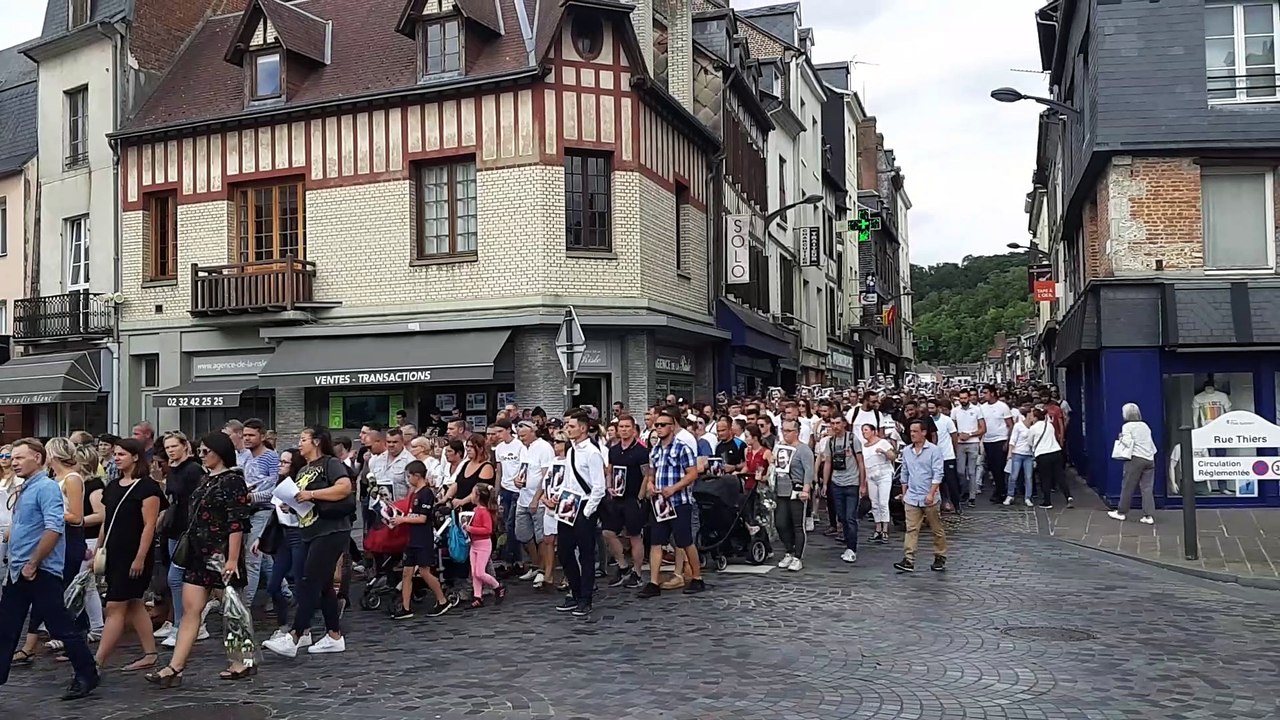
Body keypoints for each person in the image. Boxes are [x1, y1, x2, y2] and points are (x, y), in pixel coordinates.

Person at [145, 432, 253, 687]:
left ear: (220, 452)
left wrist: (232, 560)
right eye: (201, 451)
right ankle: (175, 666)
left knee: (233, 610)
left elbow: (237, 523)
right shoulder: (205, 479)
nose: (203, 455)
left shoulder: (232, 481)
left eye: (207, 451)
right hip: (197, 552)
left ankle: (242, 660)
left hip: (220, 554)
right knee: (191, 611)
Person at [0, 438, 99, 700]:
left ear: (38, 457)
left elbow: (54, 527)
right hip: (19, 570)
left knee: (61, 626)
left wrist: (34, 562)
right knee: (7, 627)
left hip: (39, 570)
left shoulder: (46, 487)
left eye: (20, 457)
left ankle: (87, 673)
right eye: (13, 457)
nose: (14, 462)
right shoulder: (27, 488)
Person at [262, 426, 353, 659]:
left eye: (303, 439)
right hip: (309, 529)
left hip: (331, 530)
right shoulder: (303, 469)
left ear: (317, 441)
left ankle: (295, 634)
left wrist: (311, 495)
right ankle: (334, 635)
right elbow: (302, 500)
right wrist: (291, 503)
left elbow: (344, 488)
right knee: (321, 584)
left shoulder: (330, 463)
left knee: (310, 579)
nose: (299, 443)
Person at [93, 438, 164, 673]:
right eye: (115, 454)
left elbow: (149, 525)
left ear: (135, 457)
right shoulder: (112, 486)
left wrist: (140, 557)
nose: (116, 457)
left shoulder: (147, 488)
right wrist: (98, 549)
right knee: (134, 604)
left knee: (115, 606)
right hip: (114, 553)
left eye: (121, 454)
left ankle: (97, 661)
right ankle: (150, 653)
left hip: (133, 554)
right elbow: (107, 521)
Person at [15, 437, 85, 665]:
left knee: (56, 602)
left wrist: (46, 513)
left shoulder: (70, 480)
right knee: (47, 602)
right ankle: (29, 646)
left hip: (65, 543)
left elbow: (76, 517)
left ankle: (79, 653)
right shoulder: (48, 481)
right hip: (41, 546)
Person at [638, 408, 706, 597]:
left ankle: (697, 577)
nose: (658, 429)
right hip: (660, 503)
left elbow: (692, 473)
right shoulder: (655, 451)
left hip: (679, 501)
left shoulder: (681, 447)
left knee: (684, 541)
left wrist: (674, 488)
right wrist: (651, 484)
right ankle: (653, 581)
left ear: (672, 426)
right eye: (656, 425)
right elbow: (652, 472)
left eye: (662, 425)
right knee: (656, 541)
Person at [154, 431, 211, 647]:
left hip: (187, 531)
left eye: (174, 446)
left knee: (176, 577)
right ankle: (188, 623)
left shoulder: (193, 470)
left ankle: (182, 624)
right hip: (173, 528)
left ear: (185, 446)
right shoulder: (174, 470)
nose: (170, 450)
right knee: (179, 579)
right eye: (167, 447)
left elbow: (196, 500)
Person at [554, 410, 607, 616]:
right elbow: (568, 479)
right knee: (565, 552)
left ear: (583, 428)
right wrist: (559, 497)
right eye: (567, 426)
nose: (567, 429)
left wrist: (587, 511)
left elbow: (598, 487)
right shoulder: (571, 450)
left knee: (586, 554)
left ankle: (586, 598)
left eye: (572, 426)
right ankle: (575, 592)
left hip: (584, 506)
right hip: (568, 504)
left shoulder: (592, 452)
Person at [386, 461, 453, 619]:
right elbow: (413, 514)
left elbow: (423, 518)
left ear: (417, 476)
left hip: (422, 538)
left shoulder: (426, 494)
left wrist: (403, 520)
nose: (407, 478)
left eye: (409, 476)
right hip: (413, 538)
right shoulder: (416, 493)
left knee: (424, 571)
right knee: (407, 572)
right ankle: (405, 607)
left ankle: (442, 601)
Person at [262, 449, 309, 638]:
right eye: (280, 462)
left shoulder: (300, 484)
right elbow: (275, 514)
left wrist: (293, 508)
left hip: (298, 533)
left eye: (285, 462)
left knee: (300, 583)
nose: (280, 465)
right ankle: (282, 625)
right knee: (273, 585)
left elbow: (308, 510)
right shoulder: (280, 483)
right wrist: (261, 538)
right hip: (283, 536)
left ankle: (302, 629)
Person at [893, 420, 947, 574]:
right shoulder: (907, 451)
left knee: (936, 529)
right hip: (912, 496)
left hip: (929, 496)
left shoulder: (934, 450)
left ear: (923, 432)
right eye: (911, 431)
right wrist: (904, 492)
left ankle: (940, 556)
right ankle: (908, 559)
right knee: (911, 529)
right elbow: (904, 472)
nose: (912, 434)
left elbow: (938, 473)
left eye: (915, 431)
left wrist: (931, 493)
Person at [772, 419, 815, 572]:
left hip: (796, 489)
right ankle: (789, 550)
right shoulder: (780, 447)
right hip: (782, 489)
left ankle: (798, 556)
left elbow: (809, 470)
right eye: (783, 430)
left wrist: (806, 489)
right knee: (781, 523)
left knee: (797, 524)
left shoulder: (803, 450)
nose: (785, 434)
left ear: (796, 432)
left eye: (788, 431)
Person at [1109, 403, 1157, 524]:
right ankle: (1148, 516)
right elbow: (1151, 444)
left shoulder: (1127, 426)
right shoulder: (1145, 425)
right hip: (1149, 459)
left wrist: (1120, 437)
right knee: (1147, 488)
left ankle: (1121, 512)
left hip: (1135, 459)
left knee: (1128, 486)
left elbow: (1127, 442)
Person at [826, 416, 867, 561]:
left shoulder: (852, 439)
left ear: (844, 424)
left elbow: (861, 462)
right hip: (837, 483)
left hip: (852, 483)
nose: (835, 426)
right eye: (833, 423)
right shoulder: (830, 442)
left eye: (838, 423)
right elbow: (828, 463)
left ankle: (851, 547)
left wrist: (862, 484)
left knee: (850, 517)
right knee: (841, 516)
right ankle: (847, 539)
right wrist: (825, 483)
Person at [464, 483, 506, 608]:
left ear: (478, 496)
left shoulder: (483, 512)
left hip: (483, 544)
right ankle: (478, 596)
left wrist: (470, 529)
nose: (470, 496)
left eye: (473, 493)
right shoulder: (475, 510)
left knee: (480, 572)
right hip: (475, 544)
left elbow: (487, 530)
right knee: (474, 572)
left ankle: (497, 586)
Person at [859, 422, 896, 544]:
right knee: (874, 503)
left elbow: (893, 456)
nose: (864, 433)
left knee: (883, 502)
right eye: (863, 430)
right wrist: (863, 482)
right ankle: (878, 528)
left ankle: (885, 529)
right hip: (871, 476)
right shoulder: (863, 446)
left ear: (873, 431)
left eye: (866, 430)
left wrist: (884, 452)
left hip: (883, 474)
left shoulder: (882, 442)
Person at [1028, 408, 1071, 509]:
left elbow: (1030, 442)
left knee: (1045, 478)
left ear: (1035, 417)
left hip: (1043, 454)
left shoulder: (1033, 428)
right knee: (1060, 476)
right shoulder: (1049, 425)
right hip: (1055, 451)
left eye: (1031, 415)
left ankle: (1047, 501)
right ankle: (1068, 496)